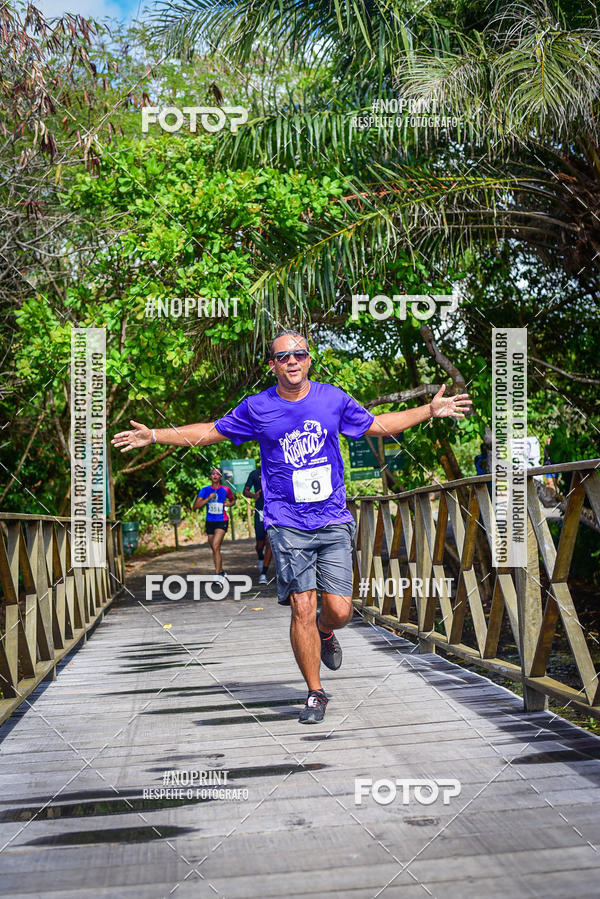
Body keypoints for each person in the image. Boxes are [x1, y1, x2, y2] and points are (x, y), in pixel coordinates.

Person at [112, 330, 472, 724]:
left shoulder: (331, 399)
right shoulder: (257, 407)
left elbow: (379, 425)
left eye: (299, 354)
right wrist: (154, 435)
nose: (292, 361)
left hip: (333, 518)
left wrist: (429, 411)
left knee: (338, 610)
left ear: (309, 359)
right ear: (273, 365)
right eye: (283, 357)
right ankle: (315, 692)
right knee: (302, 604)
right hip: (286, 523)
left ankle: (326, 630)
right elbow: (210, 431)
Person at [193, 466, 236, 577]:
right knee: (214, 548)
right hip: (210, 521)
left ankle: (217, 574)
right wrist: (208, 498)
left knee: (216, 546)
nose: (215, 475)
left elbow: (233, 500)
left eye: (217, 474)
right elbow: (195, 506)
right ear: (210, 476)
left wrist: (230, 504)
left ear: (221, 477)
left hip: (222, 520)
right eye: (213, 474)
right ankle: (221, 571)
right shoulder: (205, 490)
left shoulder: (226, 489)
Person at [243, 465, 272, 585]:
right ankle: (260, 555)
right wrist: (254, 496)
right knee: (260, 544)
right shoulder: (254, 474)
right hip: (260, 511)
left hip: (273, 512)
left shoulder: (274, 470)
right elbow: (245, 491)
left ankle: (263, 574)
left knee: (269, 542)